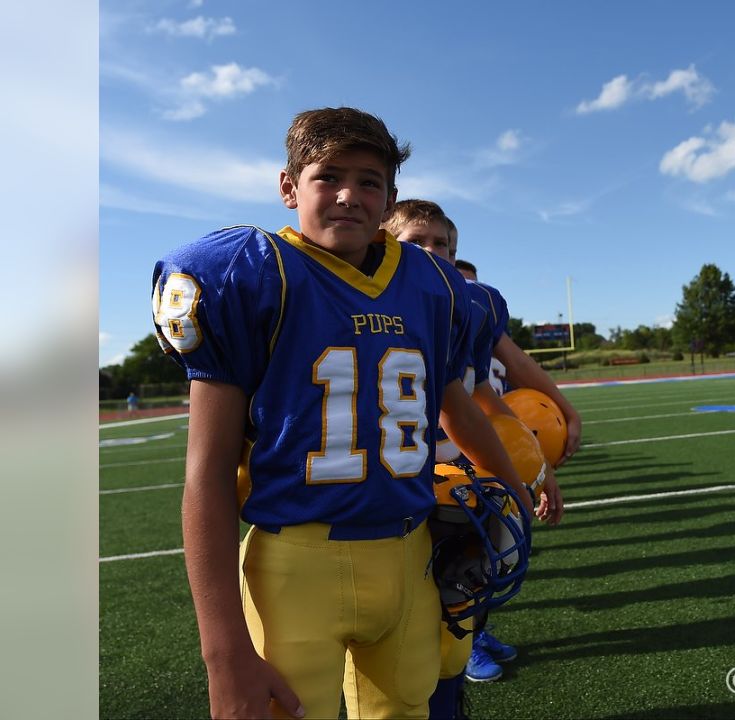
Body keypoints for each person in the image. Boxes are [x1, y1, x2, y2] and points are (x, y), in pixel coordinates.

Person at [153, 107, 531, 720]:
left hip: (408, 555)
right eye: (328, 176)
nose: (349, 195)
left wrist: (513, 490)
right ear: (288, 187)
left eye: (370, 180)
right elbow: (208, 470)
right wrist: (222, 652)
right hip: (296, 563)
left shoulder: (433, 284)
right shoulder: (253, 273)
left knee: (407, 708)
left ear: (390, 197)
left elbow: (456, 407)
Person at [385, 200, 565, 717]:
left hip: (462, 486)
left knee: (459, 616)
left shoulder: (474, 305)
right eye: (417, 241)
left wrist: (536, 471)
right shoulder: (363, 305)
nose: (432, 252)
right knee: (404, 644)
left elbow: (485, 402)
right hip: (400, 494)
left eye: (442, 244)